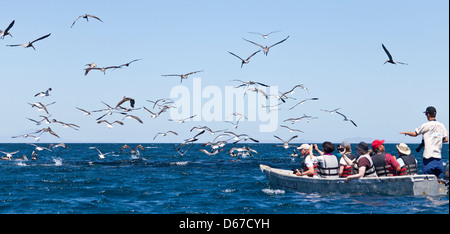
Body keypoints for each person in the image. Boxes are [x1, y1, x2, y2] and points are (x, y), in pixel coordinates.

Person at [400, 106, 449, 178]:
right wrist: (436, 139)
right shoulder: (441, 126)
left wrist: (406, 132)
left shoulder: (426, 125)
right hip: (438, 159)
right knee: (438, 181)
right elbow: (446, 139)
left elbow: (415, 134)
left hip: (428, 159)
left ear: (428, 114)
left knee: (427, 180)